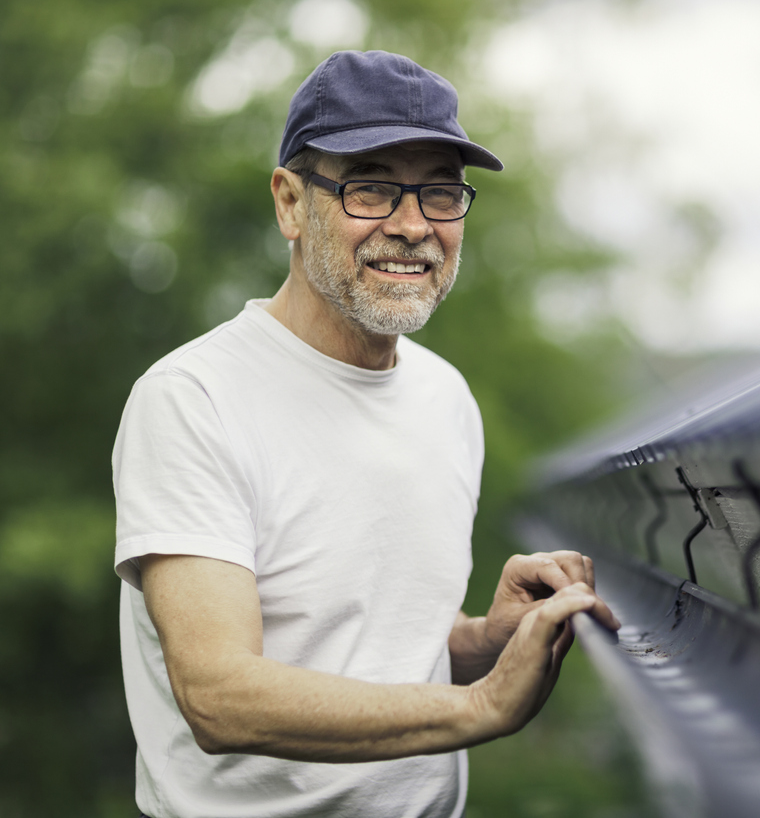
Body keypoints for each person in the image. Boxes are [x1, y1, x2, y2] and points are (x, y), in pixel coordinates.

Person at [112, 50, 619, 818]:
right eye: (371, 187)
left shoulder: (445, 398)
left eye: (439, 192)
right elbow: (218, 695)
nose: (413, 226)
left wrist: (485, 640)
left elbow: (367, 647)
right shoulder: (193, 399)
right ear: (290, 203)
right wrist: (480, 707)